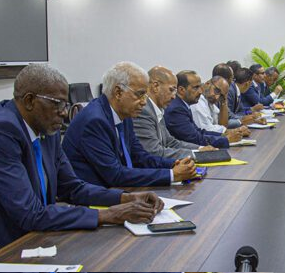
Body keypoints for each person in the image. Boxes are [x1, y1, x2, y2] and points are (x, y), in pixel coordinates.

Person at [0, 64, 164, 247]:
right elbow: (30, 214)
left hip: (40, 236)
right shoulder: (5, 131)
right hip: (11, 246)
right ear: (30, 100)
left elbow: (73, 188)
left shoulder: (46, 128)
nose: (64, 113)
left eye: (66, 104)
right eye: (57, 104)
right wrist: (109, 214)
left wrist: (127, 198)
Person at [63, 62, 197, 187]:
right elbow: (115, 175)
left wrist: (174, 164)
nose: (144, 102)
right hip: (94, 196)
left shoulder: (124, 114)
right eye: (140, 94)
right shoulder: (95, 121)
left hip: (116, 189)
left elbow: (139, 157)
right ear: (118, 92)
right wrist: (171, 175)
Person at [133, 66, 215, 159]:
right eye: (171, 90)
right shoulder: (143, 111)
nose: (174, 96)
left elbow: (170, 142)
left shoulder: (158, 109)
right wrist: (196, 154)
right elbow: (154, 152)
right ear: (155, 86)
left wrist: (199, 149)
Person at [165, 70, 242, 148]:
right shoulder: (176, 109)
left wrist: (223, 135)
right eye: (196, 88)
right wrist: (226, 139)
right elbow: (194, 138)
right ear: (181, 90)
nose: (200, 91)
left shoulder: (183, 105)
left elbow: (199, 132)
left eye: (200, 86)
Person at [212, 63, 261, 128]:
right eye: (232, 78)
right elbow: (229, 116)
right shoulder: (230, 91)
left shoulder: (235, 90)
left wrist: (250, 114)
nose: (233, 81)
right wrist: (243, 120)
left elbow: (240, 111)